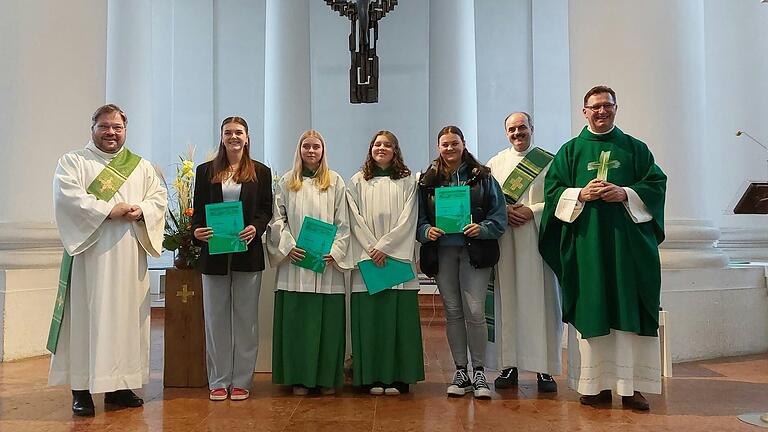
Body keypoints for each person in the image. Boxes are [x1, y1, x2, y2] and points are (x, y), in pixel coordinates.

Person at [539, 85, 667, 411]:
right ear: (585, 112)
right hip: (588, 249)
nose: (601, 112)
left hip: (627, 250)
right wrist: (580, 194)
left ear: (615, 108)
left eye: (606, 106)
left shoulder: (635, 149)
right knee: (592, 307)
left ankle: (631, 388)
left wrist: (625, 193)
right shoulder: (570, 152)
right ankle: (593, 386)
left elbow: (655, 185)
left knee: (629, 308)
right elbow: (553, 192)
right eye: (594, 107)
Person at [49, 104, 167, 416]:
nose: (111, 132)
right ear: (93, 129)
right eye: (104, 126)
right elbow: (68, 198)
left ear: (125, 130)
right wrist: (109, 211)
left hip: (129, 256)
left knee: (126, 318)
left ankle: (120, 386)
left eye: (117, 127)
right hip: (92, 257)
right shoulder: (73, 162)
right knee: (89, 318)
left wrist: (142, 210)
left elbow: (158, 198)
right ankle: (82, 389)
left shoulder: (141, 166)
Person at [417, 125, 506, 399]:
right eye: (444, 144)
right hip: (443, 253)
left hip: (474, 253)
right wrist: (425, 232)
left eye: (454, 143)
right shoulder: (428, 181)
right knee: (453, 311)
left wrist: (483, 228)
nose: (449, 149)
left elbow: (499, 215)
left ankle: (479, 372)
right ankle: (460, 371)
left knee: (476, 311)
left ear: (463, 144)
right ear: (438, 147)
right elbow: (419, 219)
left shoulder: (483, 177)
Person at [191, 117, 273, 401]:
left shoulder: (261, 172)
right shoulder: (205, 172)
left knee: (246, 320)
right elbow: (198, 212)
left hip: (247, 253)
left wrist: (256, 227)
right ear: (222, 137)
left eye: (239, 132)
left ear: (247, 137)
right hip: (213, 254)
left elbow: (265, 209)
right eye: (228, 133)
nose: (233, 137)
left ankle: (241, 380)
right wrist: (196, 231)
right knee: (215, 320)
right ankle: (218, 379)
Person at [267, 130, 351, 396]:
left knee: (327, 326)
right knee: (297, 324)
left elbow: (344, 222)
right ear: (299, 150)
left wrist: (335, 252)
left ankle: (327, 378)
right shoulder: (287, 181)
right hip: (296, 262)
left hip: (325, 265)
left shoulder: (335, 181)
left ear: (323, 150)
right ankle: (299, 377)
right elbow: (276, 219)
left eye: (316, 146)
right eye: (306, 146)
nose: (311, 151)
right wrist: (289, 246)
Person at [486, 112, 562, 393]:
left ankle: (545, 369)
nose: (517, 133)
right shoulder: (495, 163)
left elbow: (558, 197)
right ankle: (509, 366)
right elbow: (486, 199)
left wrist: (534, 210)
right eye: (512, 129)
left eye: (522, 128)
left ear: (532, 128)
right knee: (507, 301)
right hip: (505, 242)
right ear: (506, 132)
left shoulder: (549, 161)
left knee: (541, 301)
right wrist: (503, 211)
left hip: (536, 241)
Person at [346, 130, 425, 396]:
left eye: (387, 145)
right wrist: (372, 248)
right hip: (368, 260)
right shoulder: (357, 181)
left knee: (398, 320)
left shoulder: (407, 181)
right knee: (371, 321)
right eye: (377, 144)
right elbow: (353, 219)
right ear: (370, 149)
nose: (382, 148)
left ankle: (399, 377)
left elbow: (409, 217)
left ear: (395, 150)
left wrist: (385, 247)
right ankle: (371, 376)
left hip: (396, 259)